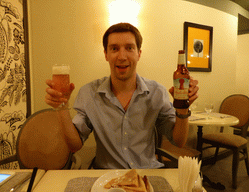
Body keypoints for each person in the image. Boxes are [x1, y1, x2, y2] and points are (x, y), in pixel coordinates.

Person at [45, 23, 199, 169]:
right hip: (107, 178)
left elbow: (178, 141)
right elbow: (75, 145)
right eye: (114, 48)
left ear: (139, 53)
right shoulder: (89, 93)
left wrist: (183, 108)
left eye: (129, 48)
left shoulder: (157, 92)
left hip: (146, 174)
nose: (122, 56)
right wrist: (61, 107)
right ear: (106, 54)